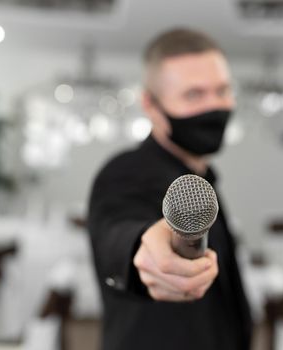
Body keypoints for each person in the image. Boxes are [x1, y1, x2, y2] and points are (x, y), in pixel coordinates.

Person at [87, 28, 251, 350]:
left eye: (222, 91)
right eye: (194, 95)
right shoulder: (125, 172)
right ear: (150, 104)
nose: (214, 105)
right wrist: (143, 249)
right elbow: (119, 230)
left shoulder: (203, 176)